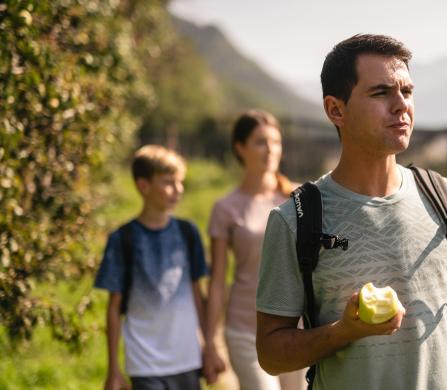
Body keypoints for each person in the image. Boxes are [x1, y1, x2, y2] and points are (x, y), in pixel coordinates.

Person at [255, 34, 447, 389]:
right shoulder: (295, 220)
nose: (401, 104)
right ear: (335, 110)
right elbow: (270, 353)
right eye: (381, 92)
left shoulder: (446, 198)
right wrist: (344, 332)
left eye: (407, 91)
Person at [202, 110, 305, 390]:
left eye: (276, 141)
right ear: (240, 148)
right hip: (245, 329)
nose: (270, 149)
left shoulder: (299, 198)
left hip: (298, 329)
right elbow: (218, 282)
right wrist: (211, 341)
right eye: (261, 142)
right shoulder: (225, 208)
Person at [95, 145, 208, 390]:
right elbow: (114, 308)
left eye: (180, 182)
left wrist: (210, 347)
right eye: (168, 182)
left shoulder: (188, 233)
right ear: (143, 186)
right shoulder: (122, 239)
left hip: (188, 361)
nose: (177, 190)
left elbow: (198, 296)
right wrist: (113, 368)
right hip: (145, 365)